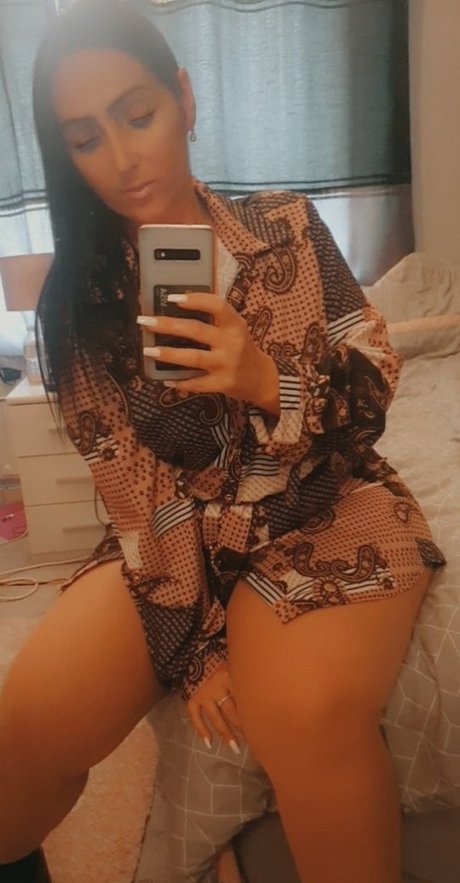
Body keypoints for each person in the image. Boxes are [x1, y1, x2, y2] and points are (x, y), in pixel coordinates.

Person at [0, 2, 445, 881]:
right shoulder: (80, 302)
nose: (122, 158)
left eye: (137, 115)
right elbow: (134, 491)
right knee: (26, 724)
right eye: (85, 138)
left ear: (184, 98)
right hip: (177, 535)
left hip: (326, 502)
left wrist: (264, 379)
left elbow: (375, 379)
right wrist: (197, 650)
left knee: (302, 711)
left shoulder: (288, 226)